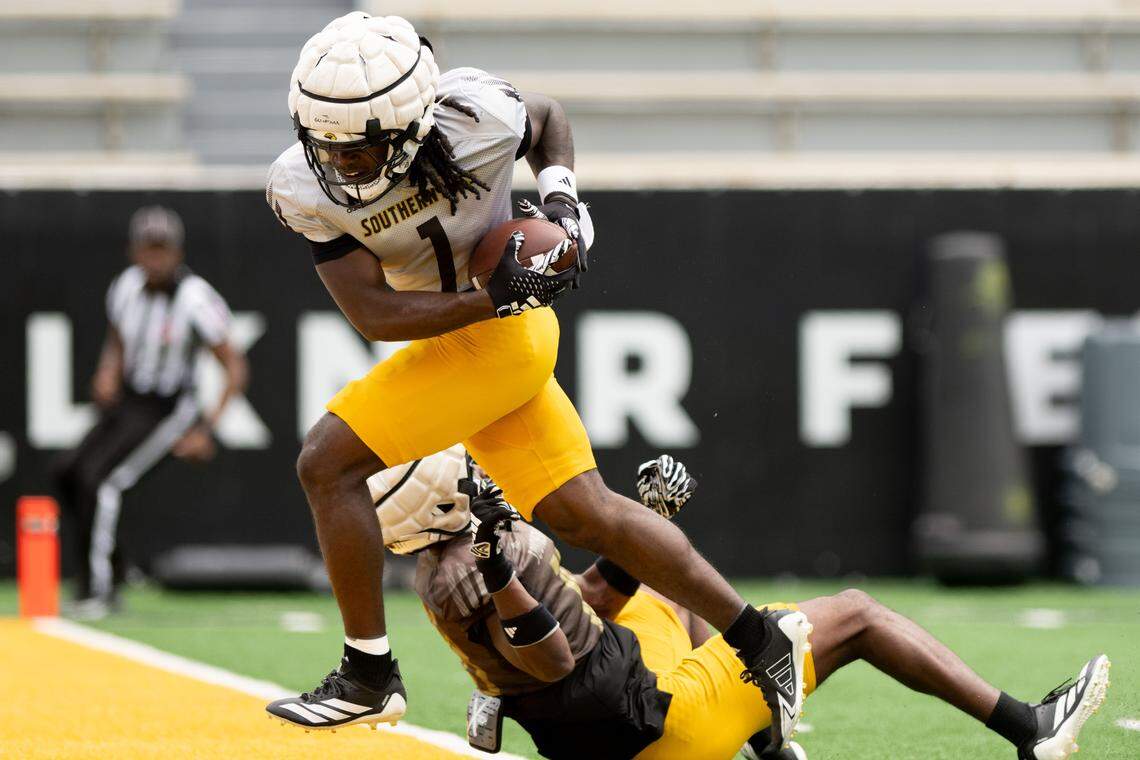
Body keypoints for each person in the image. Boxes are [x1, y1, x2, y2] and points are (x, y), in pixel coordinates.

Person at [266, 12, 807, 747]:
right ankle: (759, 638)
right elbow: (373, 313)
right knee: (586, 515)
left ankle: (367, 672)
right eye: (324, 143)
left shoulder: (474, 116)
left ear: (413, 125)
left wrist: (561, 204)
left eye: (360, 149)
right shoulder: (304, 187)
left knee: (325, 464)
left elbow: (546, 117)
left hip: (492, 343)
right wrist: (493, 297)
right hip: (486, 330)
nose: (339, 164)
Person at [270, 450, 1111, 760]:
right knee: (852, 611)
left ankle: (763, 729)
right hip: (661, 732)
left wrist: (649, 528)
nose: (475, 475)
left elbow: (588, 610)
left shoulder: (451, 562)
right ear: (437, 506)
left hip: (605, 719)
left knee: (661, 597)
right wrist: (506, 579)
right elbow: (551, 656)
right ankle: (1026, 728)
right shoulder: (480, 568)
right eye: (457, 477)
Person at [54, 205, 249, 619]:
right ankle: (114, 566)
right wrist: (107, 371)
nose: (155, 259)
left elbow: (234, 365)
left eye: (163, 250)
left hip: (169, 407)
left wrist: (207, 428)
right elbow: (117, 338)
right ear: (134, 252)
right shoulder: (125, 286)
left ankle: (100, 591)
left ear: (177, 253)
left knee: (104, 482)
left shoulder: (196, 298)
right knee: (69, 472)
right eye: (148, 250)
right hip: (130, 399)